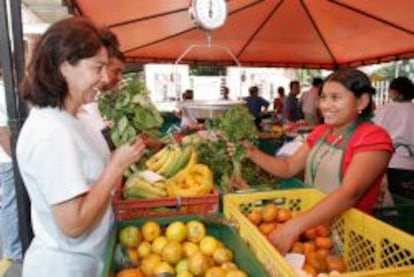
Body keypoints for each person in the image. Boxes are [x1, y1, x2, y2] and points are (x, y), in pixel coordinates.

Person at [16, 17, 146, 276]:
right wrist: (116, 166)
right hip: (65, 267)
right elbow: (73, 224)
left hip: (91, 259)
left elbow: (94, 184)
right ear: (65, 66)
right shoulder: (51, 132)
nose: (105, 77)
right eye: (97, 68)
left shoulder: (80, 117)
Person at [229, 68, 393, 254]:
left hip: (349, 239)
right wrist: (252, 152)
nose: (325, 105)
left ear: (361, 101)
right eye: (323, 97)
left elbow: (349, 193)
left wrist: (294, 226)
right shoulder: (321, 132)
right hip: (311, 230)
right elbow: (289, 167)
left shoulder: (373, 138)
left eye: (335, 97)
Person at [77, 29, 125, 160]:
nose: (105, 78)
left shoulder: (89, 106)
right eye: (98, 67)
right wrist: (118, 163)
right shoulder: (56, 127)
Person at [373, 76, 414, 199]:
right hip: (409, 164)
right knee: (406, 203)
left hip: (383, 162)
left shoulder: (382, 110)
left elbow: (373, 136)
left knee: (385, 205)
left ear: (394, 91)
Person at [0, 65, 23, 263]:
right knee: (11, 204)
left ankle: (13, 247)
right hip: (7, 160)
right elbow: (2, 131)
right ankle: (12, 249)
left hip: (7, 159)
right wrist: (16, 160)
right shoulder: (1, 91)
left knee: (12, 203)